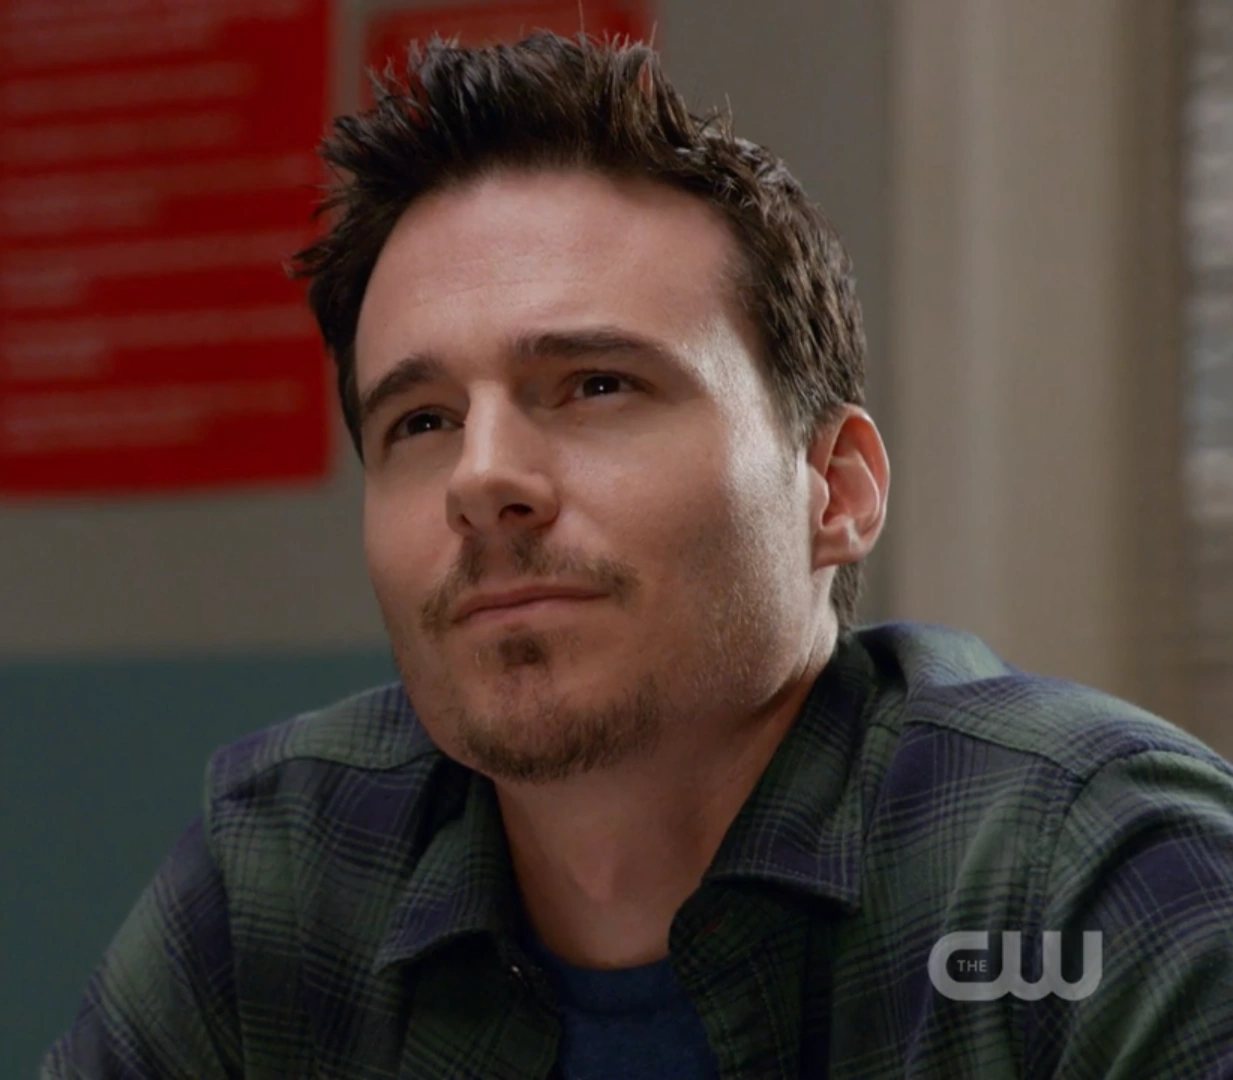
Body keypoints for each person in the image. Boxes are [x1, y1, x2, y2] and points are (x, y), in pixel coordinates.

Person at [42, 30, 1233, 1080]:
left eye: (597, 385)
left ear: (836, 489)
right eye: (423, 420)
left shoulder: (1088, 875)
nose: (480, 480)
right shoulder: (283, 879)